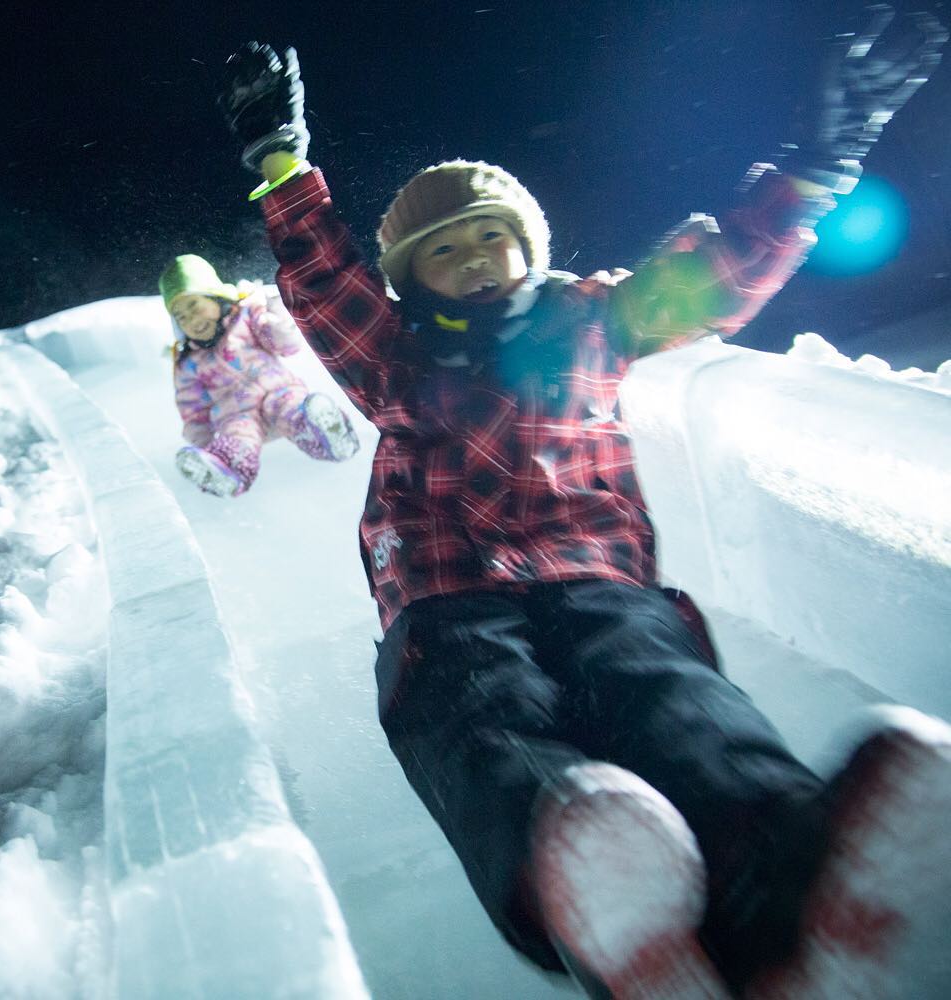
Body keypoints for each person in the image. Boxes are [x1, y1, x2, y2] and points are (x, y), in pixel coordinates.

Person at [216, 11, 949, 998]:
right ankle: (581, 865)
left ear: (530, 248)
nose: (478, 258)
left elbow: (713, 276)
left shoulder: (595, 319)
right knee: (478, 707)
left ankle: (776, 851)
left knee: (663, 686)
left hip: (598, 581)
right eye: (448, 249)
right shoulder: (391, 355)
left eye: (493, 236)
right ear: (411, 279)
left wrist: (814, 163)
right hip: (448, 599)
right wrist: (279, 164)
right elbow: (322, 282)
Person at [158, 253, 360, 497]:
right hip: (237, 414)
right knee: (237, 437)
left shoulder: (246, 317)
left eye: (194, 306)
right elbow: (192, 409)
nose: (192, 320)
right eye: (181, 316)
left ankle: (331, 437)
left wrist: (274, 315)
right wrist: (202, 444)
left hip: (279, 391)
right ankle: (226, 471)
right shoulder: (189, 362)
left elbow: (287, 345)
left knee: (292, 410)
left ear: (216, 297)